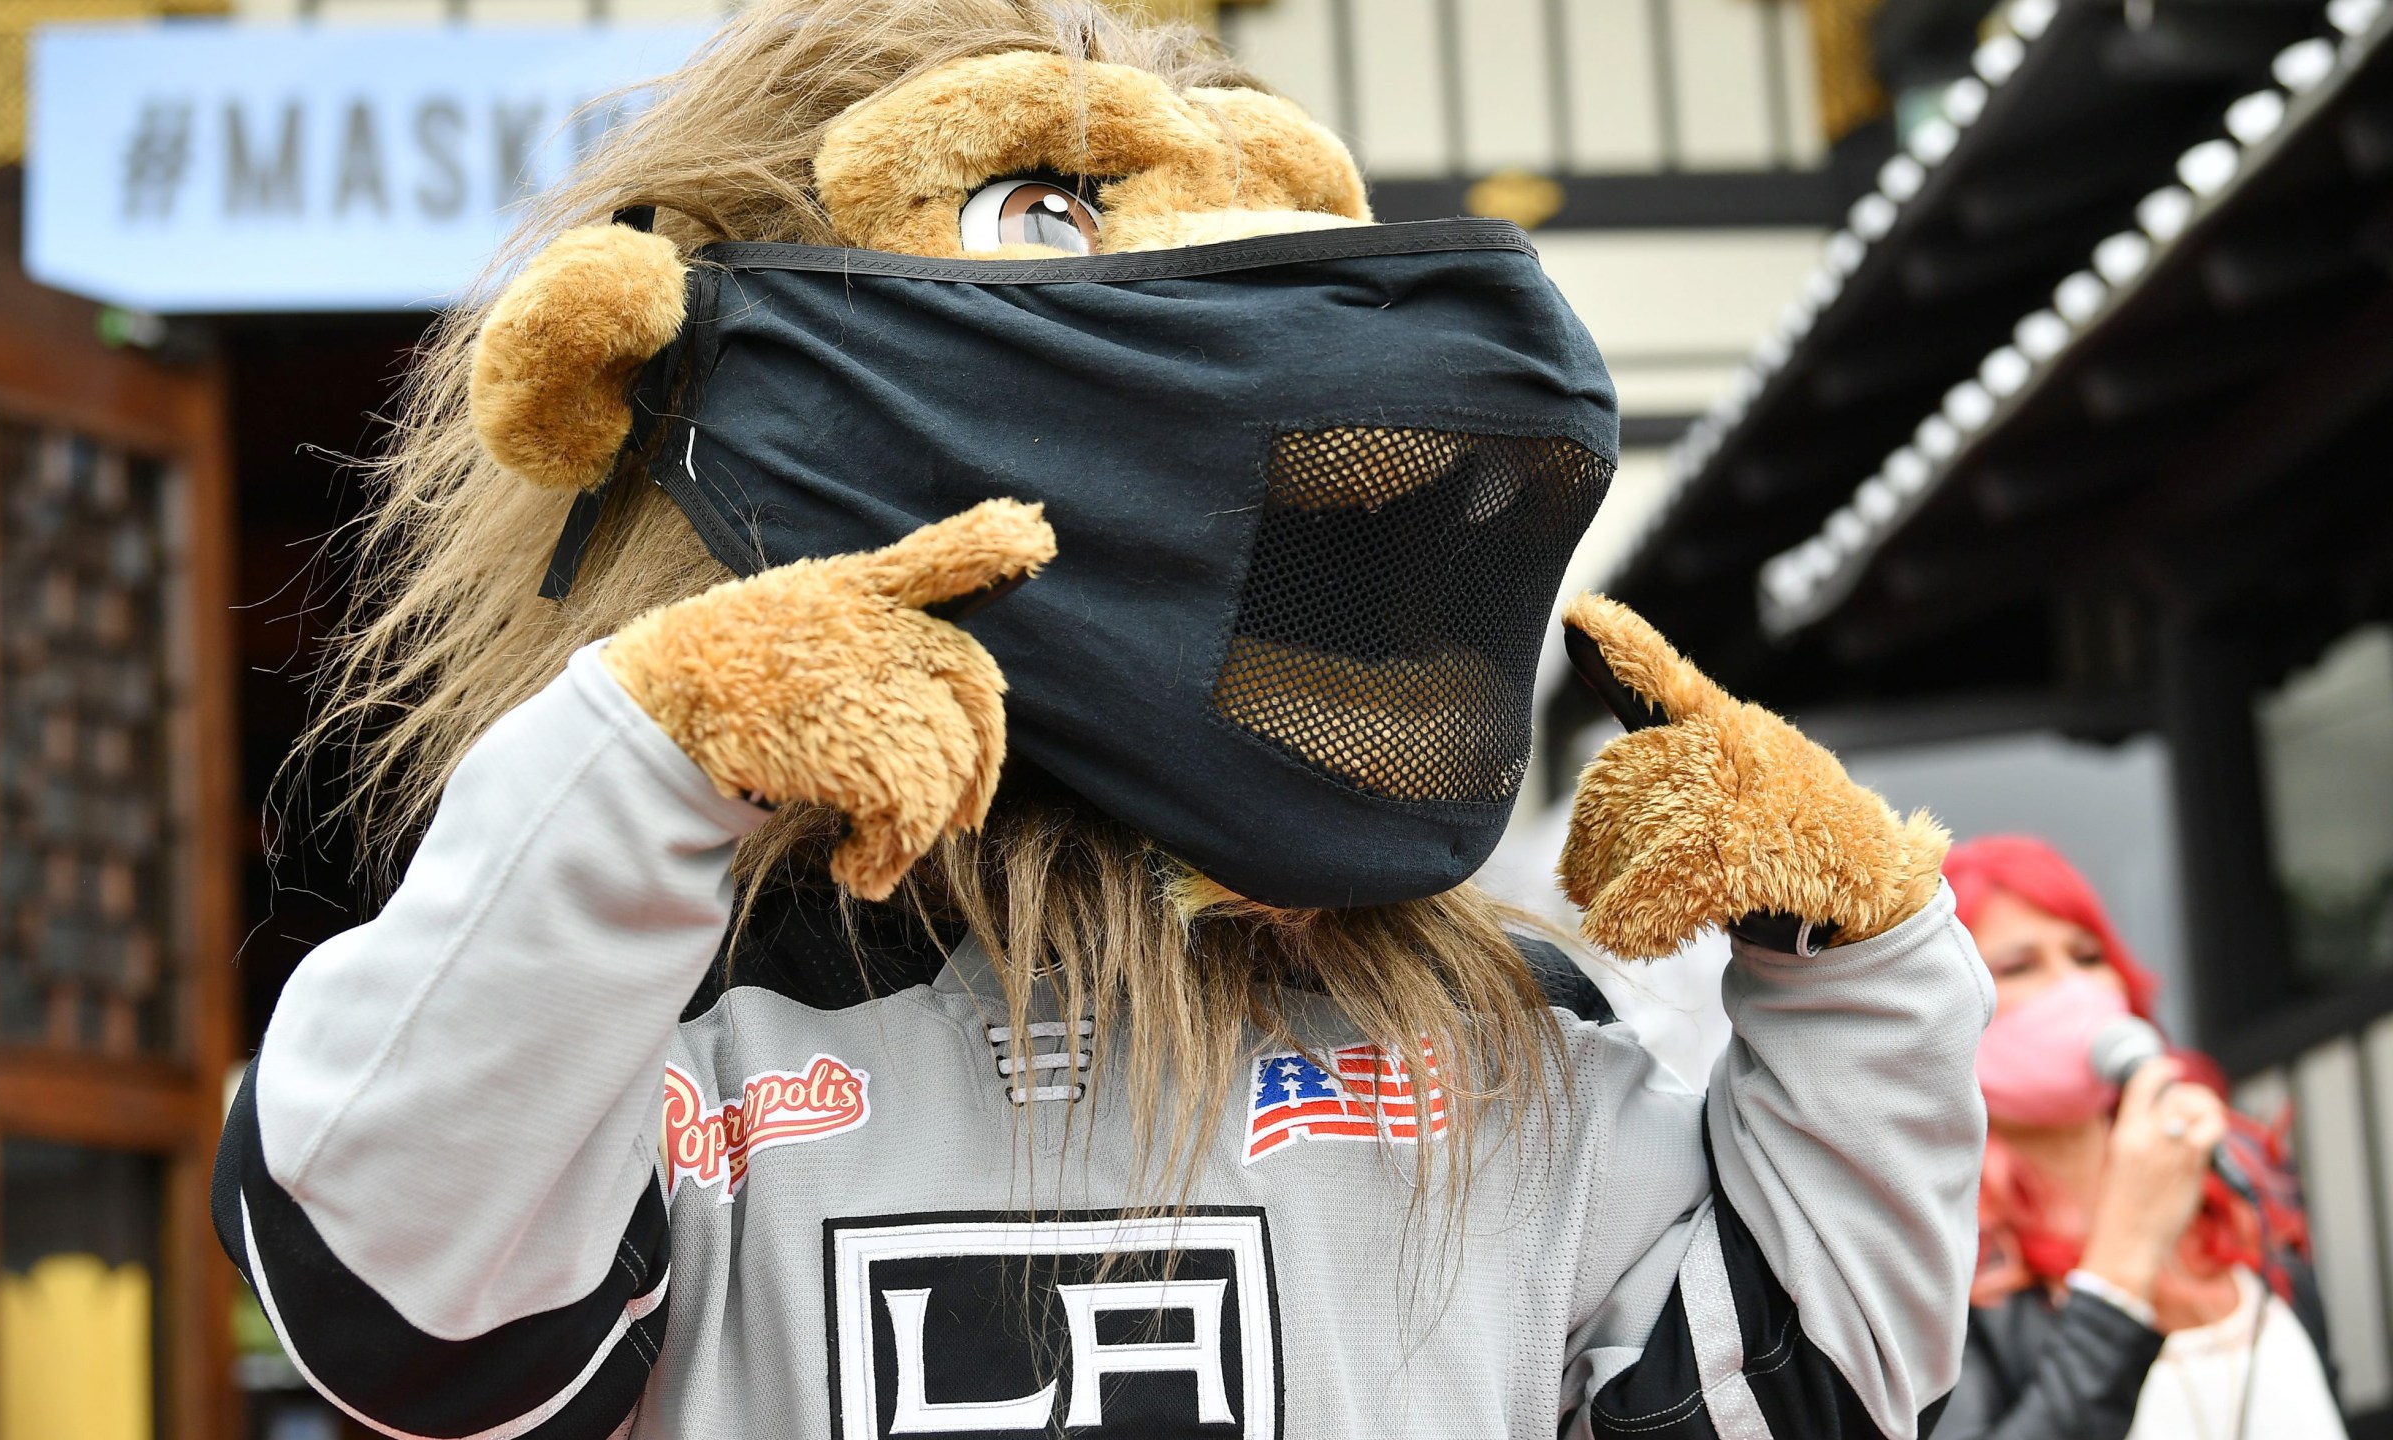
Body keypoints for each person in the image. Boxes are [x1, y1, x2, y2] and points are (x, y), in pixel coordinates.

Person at [212, 5, 1992, 1437]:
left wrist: (1862, 978)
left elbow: (1788, 1399)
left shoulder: (1502, 1040)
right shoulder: (682, 1004)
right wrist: (650, 756)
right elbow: (396, 1303)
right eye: (1051, 211)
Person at [1932, 835, 2338, 1440]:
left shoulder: (2240, 1186)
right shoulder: (1944, 1261)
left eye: (2088, 956)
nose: (2075, 987)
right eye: (2019, 966)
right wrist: (2123, 1264)